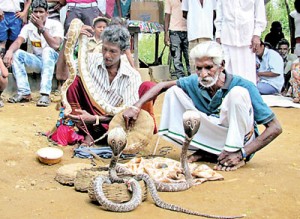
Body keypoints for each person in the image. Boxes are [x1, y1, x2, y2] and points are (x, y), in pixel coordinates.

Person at [122, 41, 282, 171]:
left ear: (222, 66)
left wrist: (243, 152)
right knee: (173, 92)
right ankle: (208, 150)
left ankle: (233, 152)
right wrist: (136, 107)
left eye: (209, 67)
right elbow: (162, 85)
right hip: (216, 136)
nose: (203, 74)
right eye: (199, 68)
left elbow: (275, 127)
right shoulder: (194, 81)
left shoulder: (244, 85)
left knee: (237, 94)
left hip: (241, 142)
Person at [65, 25, 156, 145]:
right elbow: (62, 75)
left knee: (148, 87)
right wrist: (68, 41)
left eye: (112, 51)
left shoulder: (132, 76)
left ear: (123, 52)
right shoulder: (90, 60)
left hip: (114, 122)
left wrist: (94, 119)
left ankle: (98, 135)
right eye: (104, 49)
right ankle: (87, 133)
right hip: (86, 116)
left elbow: (128, 112)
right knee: (73, 81)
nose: (107, 55)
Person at [3, 0, 64, 107]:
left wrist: (41, 28)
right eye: (36, 12)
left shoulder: (55, 25)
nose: (38, 15)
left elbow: (55, 46)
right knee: (17, 53)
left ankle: (45, 94)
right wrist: (9, 51)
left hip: (54, 63)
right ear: (32, 13)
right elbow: (18, 41)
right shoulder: (28, 27)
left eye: (41, 12)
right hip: (39, 61)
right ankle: (24, 92)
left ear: (47, 13)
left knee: (47, 51)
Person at [214, 0, 267, 84]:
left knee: (247, 75)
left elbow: (260, 15)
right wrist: (218, 35)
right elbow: (219, 15)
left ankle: (247, 95)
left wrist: (257, 34)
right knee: (227, 74)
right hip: (227, 38)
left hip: (247, 39)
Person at [182, 0, 216, 73]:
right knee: (193, 61)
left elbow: (214, 12)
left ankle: (206, 81)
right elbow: (184, 13)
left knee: (207, 60)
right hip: (193, 34)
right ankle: (194, 81)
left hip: (207, 33)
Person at [164, 0, 190, 79]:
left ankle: (192, 79)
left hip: (189, 31)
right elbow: (167, 16)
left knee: (190, 58)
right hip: (174, 31)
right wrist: (166, 33)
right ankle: (181, 81)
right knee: (176, 59)